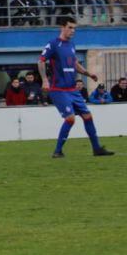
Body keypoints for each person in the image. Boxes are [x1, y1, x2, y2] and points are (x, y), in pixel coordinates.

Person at [38, 17, 114, 158]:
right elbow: (41, 61)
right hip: (59, 90)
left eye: (74, 28)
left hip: (72, 90)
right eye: (70, 27)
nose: (73, 31)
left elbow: (74, 63)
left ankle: (97, 149)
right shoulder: (53, 44)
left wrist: (88, 73)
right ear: (62, 27)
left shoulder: (71, 45)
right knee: (70, 119)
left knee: (87, 116)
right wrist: (44, 80)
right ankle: (57, 151)